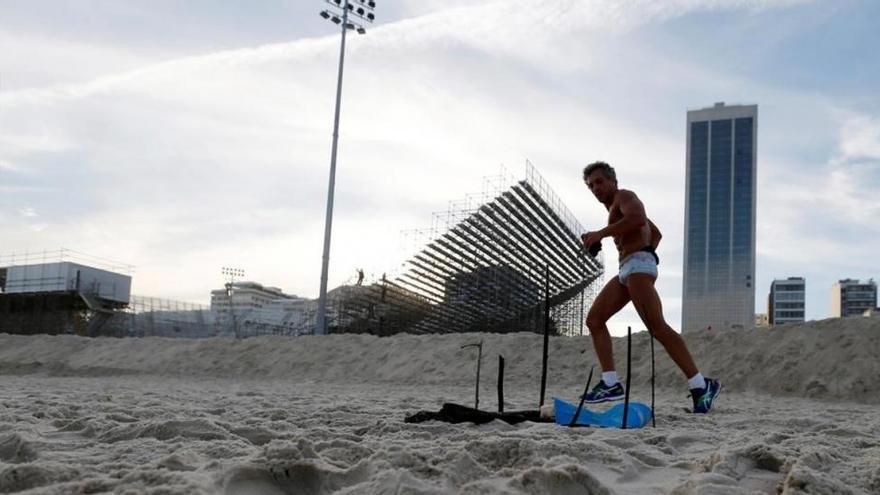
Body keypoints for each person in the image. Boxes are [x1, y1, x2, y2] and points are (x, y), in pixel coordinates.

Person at [580, 161, 721, 414]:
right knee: (594, 320)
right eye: (590, 185)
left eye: (599, 182)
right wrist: (645, 247)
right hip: (628, 269)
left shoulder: (625, 196)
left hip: (637, 267)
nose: (595, 188)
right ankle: (610, 383)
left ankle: (701, 385)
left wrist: (607, 237)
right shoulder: (613, 209)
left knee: (657, 326)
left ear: (613, 181)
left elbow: (638, 219)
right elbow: (655, 232)